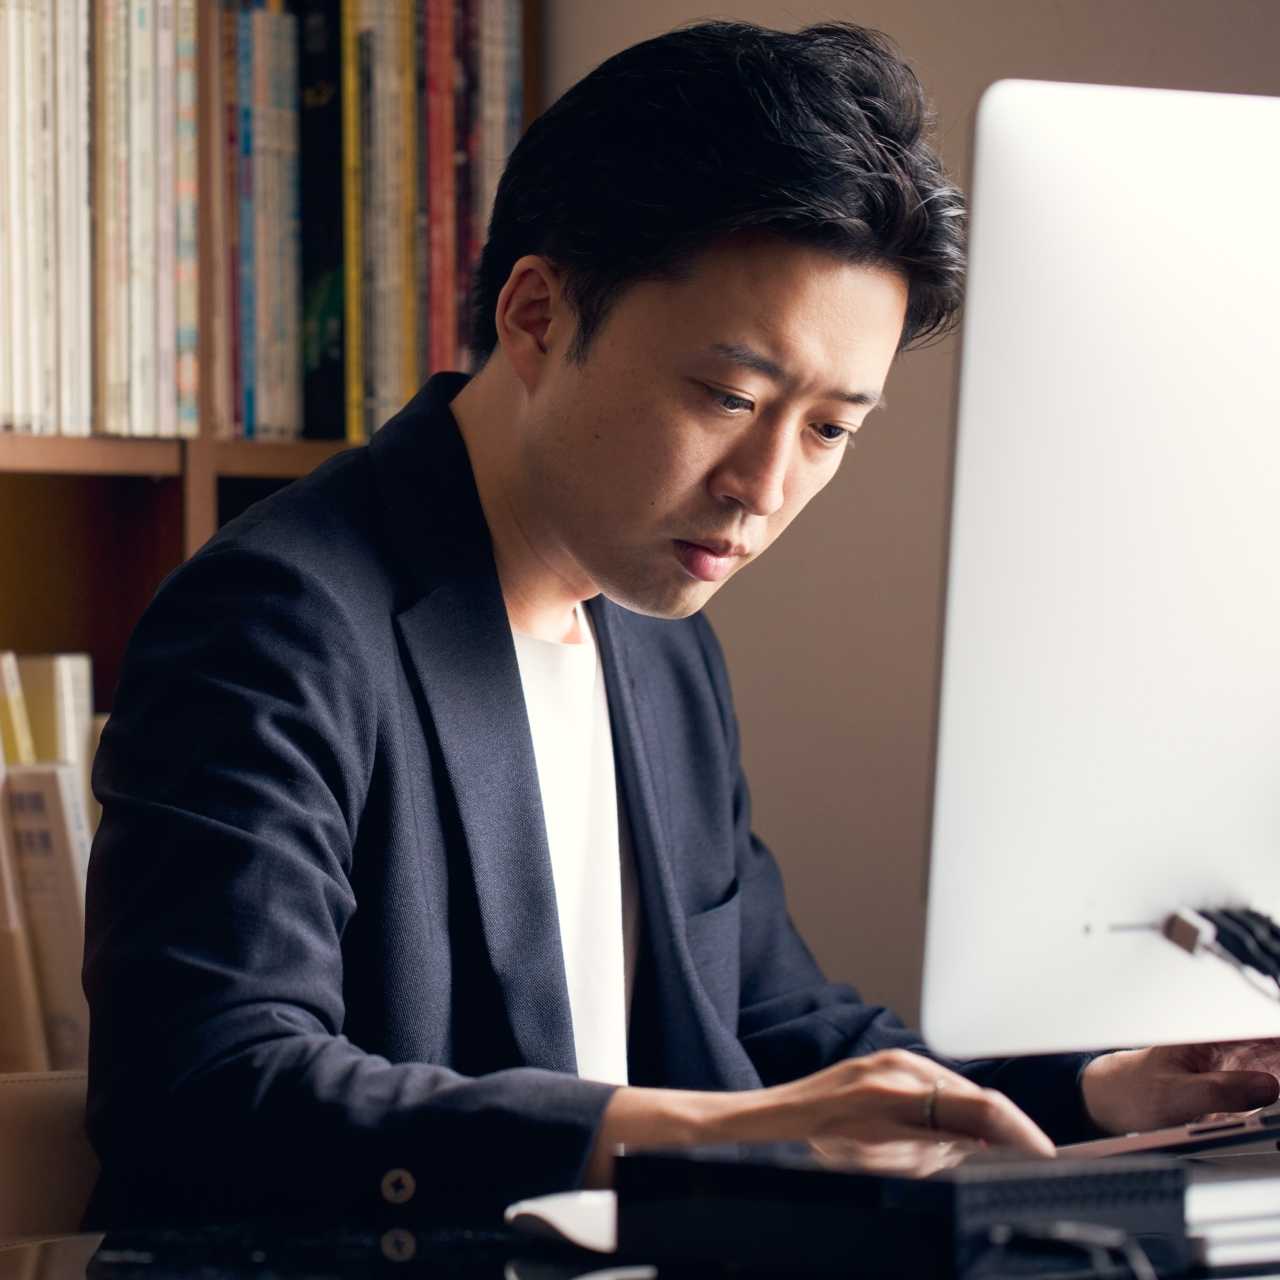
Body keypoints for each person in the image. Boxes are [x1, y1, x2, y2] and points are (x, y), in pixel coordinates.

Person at [83, 19, 1279, 1227]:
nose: (763, 486)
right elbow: (205, 1088)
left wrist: (1103, 1085)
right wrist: (695, 1134)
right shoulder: (275, 623)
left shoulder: (655, 636)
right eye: (729, 396)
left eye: (827, 430)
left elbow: (778, 1029)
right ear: (538, 314)